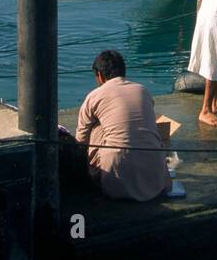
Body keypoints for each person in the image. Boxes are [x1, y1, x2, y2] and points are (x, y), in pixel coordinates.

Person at [73, 50, 172, 201]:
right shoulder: (143, 91)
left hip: (115, 185)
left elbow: (80, 141)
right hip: (155, 182)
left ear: (99, 75)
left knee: (96, 129)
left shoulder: (95, 96)